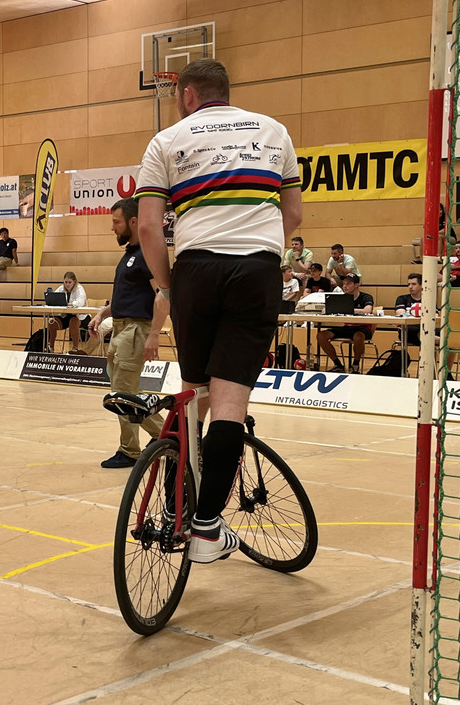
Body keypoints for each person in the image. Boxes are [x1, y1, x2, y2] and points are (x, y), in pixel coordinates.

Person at [135, 58, 303, 564]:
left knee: (193, 394)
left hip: (195, 270)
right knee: (230, 403)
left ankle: (174, 510)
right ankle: (207, 528)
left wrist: (170, 286)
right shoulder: (275, 131)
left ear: (188, 94)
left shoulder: (166, 140)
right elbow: (293, 214)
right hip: (254, 270)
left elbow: (148, 227)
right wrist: (260, 250)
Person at [90, 198, 166, 470]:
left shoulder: (146, 254)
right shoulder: (130, 255)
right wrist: (102, 314)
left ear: (133, 221)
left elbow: (162, 295)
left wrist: (154, 334)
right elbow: (128, 297)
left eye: (116, 222)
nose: (112, 227)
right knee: (126, 393)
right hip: (121, 328)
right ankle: (167, 435)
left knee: (123, 395)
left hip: (135, 330)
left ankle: (131, 450)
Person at [315, 273, 374, 373]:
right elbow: (325, 309)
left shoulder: (366, 297)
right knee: (321, 335)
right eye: (344, 283)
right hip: (347, 327)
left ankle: (355, 364)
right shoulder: (341, 297)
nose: (345, 286)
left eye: (348, 283)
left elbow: (367, 310)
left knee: (358, 336)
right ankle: (337, 364)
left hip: (363, 328)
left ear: (357, 285)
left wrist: (348, 310)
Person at [46, 271, 90, 353]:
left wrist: (70, 304)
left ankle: (75, 348)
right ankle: (51, 347)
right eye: (65, 282)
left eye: (69, 282)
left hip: (81, 317)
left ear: (74, 282)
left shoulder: (79, 289)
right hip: (66, 315)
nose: (67, 284)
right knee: (52, 323)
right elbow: (54, 298)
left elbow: (80, 302)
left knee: (73, 321)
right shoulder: (61, 288)